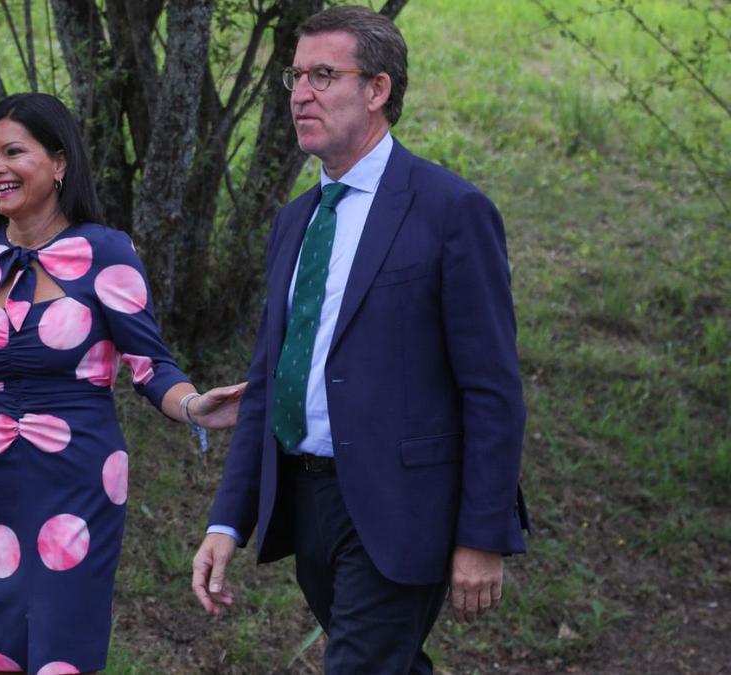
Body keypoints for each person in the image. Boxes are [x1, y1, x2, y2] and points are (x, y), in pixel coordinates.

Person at [190, 6, 529, 673]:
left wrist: (483, 533)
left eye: (323, 74)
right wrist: (226, 521)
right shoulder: (294, 221)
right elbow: (269, 378)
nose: (300, 94)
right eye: (294, 76)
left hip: (403, 508)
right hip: (307, 499)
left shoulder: (450, 211)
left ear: (377, 90)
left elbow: (491, 387)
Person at [0, 92, 244, 675]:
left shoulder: (105, 252)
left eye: (13, 151)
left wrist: (197, 407)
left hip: (77, 475)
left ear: (59, 162)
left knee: (60, 649)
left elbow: (150, 366)